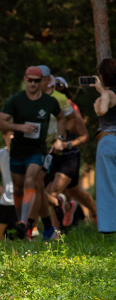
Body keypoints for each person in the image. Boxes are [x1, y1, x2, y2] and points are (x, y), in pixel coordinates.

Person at [0, 66, 66, 239]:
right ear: (25, 79)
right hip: (18, 149)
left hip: (38, 150)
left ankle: (24, 222)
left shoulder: (49, 102)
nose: (33, 84)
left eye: (37, 80)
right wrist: (19, 127)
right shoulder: (16, 100)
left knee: (31, 179)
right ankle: (22, 222)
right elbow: (1, 122)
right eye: (30, 80)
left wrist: (60, 138)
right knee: (18, 188)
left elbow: (61, 117)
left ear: (42, 80)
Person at [44, 81, 97, 231]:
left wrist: (67, 144)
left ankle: (56, 233)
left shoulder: (71, 110)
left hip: (69, 156)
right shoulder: (47, 108)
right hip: (52, 156)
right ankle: (68, 206)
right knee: (66, 192)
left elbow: (84, 136)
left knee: (54, 192)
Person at [93, 58, 116, 235]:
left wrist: (102, 92)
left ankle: (109, 227)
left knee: (107, 185)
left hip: (109, 141)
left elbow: (102, 111)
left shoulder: (108, 94)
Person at [0, 138, 18, 240]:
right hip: (6, 199)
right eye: (10, 134)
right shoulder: (1, 153)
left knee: (22, 233)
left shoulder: (23, 152)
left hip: (21, 198)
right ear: (4, 136)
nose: (12, 137)